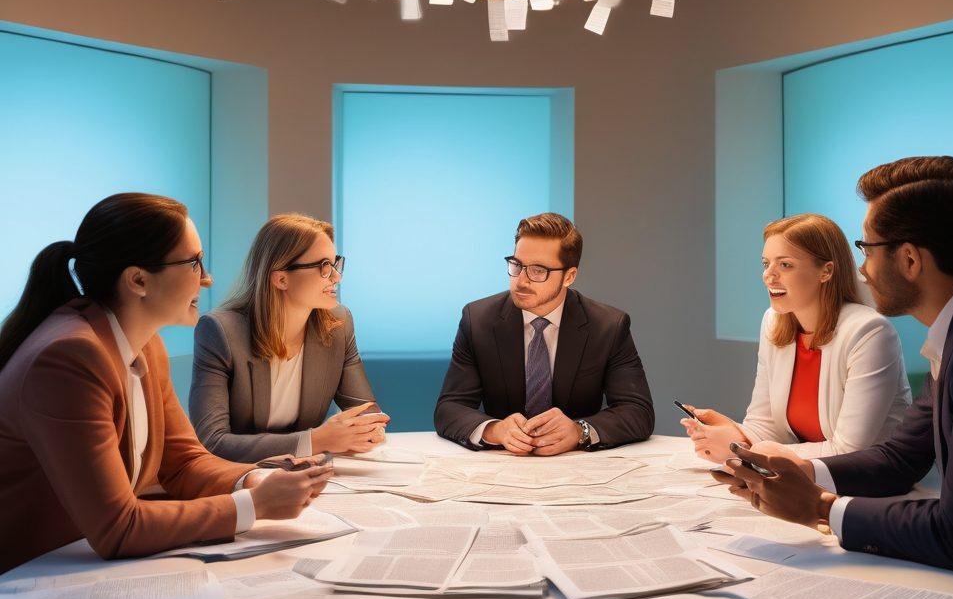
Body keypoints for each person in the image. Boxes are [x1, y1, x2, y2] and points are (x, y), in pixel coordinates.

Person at [714, 157, 953, 572]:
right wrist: (798, 470)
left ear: (910, 260)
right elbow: (900, 459)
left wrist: (821, 509)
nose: (860, 267)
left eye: (867, 248)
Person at [0, 194, 332, 573]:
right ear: (138, 280)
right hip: (24, 580)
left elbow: (184, 463)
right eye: (194, 263)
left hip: (74, 561)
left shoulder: (144, 343)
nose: (206, 278)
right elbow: (118, 530)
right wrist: (255, 505)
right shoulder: (69, 358)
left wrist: (255, 479)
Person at [682, 213, 911, 461]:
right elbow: (764, 425)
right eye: (765, 263)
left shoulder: (870, 332)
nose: (768, 275)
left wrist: (745, 450)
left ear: (826, 271)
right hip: (809, 478)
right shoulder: (774, 321)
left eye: (785, 265)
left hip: (871, 483)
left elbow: (848, 451)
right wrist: (735, 435)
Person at [434, 212, 655, 454]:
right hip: (503, 462)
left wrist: (578, 431)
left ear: (569, 276)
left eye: (538, 270)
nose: (521, 281)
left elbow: (638, 411)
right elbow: (450, 407)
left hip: (578, 467)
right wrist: (495, 430)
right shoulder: (477, 320)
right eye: (517, 265)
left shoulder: (608, 326)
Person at [189, 214, 389, 463]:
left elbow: (365, 412)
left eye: (336, 263)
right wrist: (316, 441)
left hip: (309, 474)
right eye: (324, 266)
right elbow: (212, 441)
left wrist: (367, 430)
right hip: (241, 480)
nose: (337, 277)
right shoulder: (220, 331)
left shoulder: (339, 324)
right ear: (281, 278)